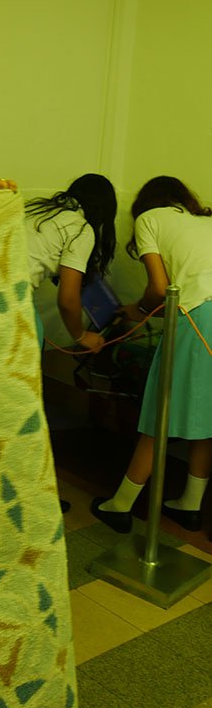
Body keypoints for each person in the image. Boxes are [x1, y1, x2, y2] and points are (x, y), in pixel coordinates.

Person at [91, 176, 212, 534]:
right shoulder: (206, 221)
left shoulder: (149, 219)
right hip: (201, 313)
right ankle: (191, 505)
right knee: (208, 415)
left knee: (159, 414)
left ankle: (120, 506)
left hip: (199, 319)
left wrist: (137, 310)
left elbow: (159, 289)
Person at [25, 174, 117, 352]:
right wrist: (80, 336)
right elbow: (67, 300)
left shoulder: (38, 209)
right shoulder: (81, 228)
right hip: (9, 300)